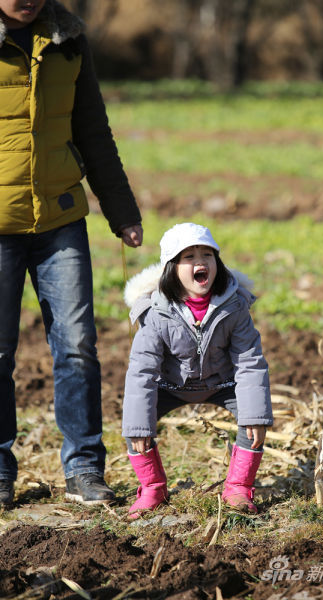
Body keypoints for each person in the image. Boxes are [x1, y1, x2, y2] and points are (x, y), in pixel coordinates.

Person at [0, 0, 143, 507]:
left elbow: (93, 131)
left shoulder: (68, 39)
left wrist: (122, 211)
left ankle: (84, 469)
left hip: (60, 220)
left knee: (78, 346)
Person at [122, 222, 273, 519]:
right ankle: (153, 488)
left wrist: (255, 415)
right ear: (171, 267)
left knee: (254, 420)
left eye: (207, 255)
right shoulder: (156, 314)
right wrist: (139, 426)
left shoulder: (234, 307)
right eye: (189, 257)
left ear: (217, 262)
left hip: (222, 383)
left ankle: (239, 488)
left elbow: (250, 361)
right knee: (136, 426)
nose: (200, 262)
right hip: (171, 386)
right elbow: (142, 372)